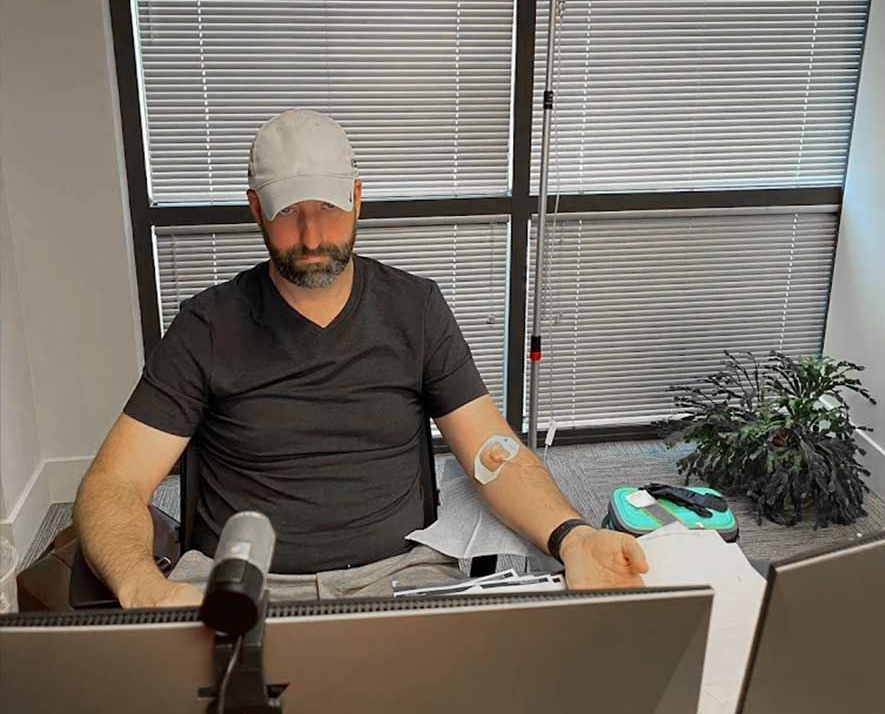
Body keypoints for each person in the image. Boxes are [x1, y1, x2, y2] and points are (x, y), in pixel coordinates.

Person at [74, 109, 648, 608]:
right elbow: (114, 482)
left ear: (356, 196)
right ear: (254, 209)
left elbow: (490, 452)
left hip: (403, 579)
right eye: (286, 212)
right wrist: (141, 584)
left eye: (327, 207)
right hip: (243, 588)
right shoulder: (207, 327)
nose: (311, 234)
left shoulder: (415, 309)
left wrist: (572, 535)